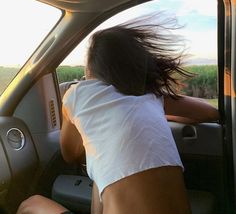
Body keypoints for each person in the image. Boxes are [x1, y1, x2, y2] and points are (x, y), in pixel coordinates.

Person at [17, 20, 219, 214]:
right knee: (101, 179)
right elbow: (209, 111)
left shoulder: (77, 94)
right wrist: (158, 111)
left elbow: (69, 154)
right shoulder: (149, 94)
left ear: (92, 69)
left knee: (31, 204)